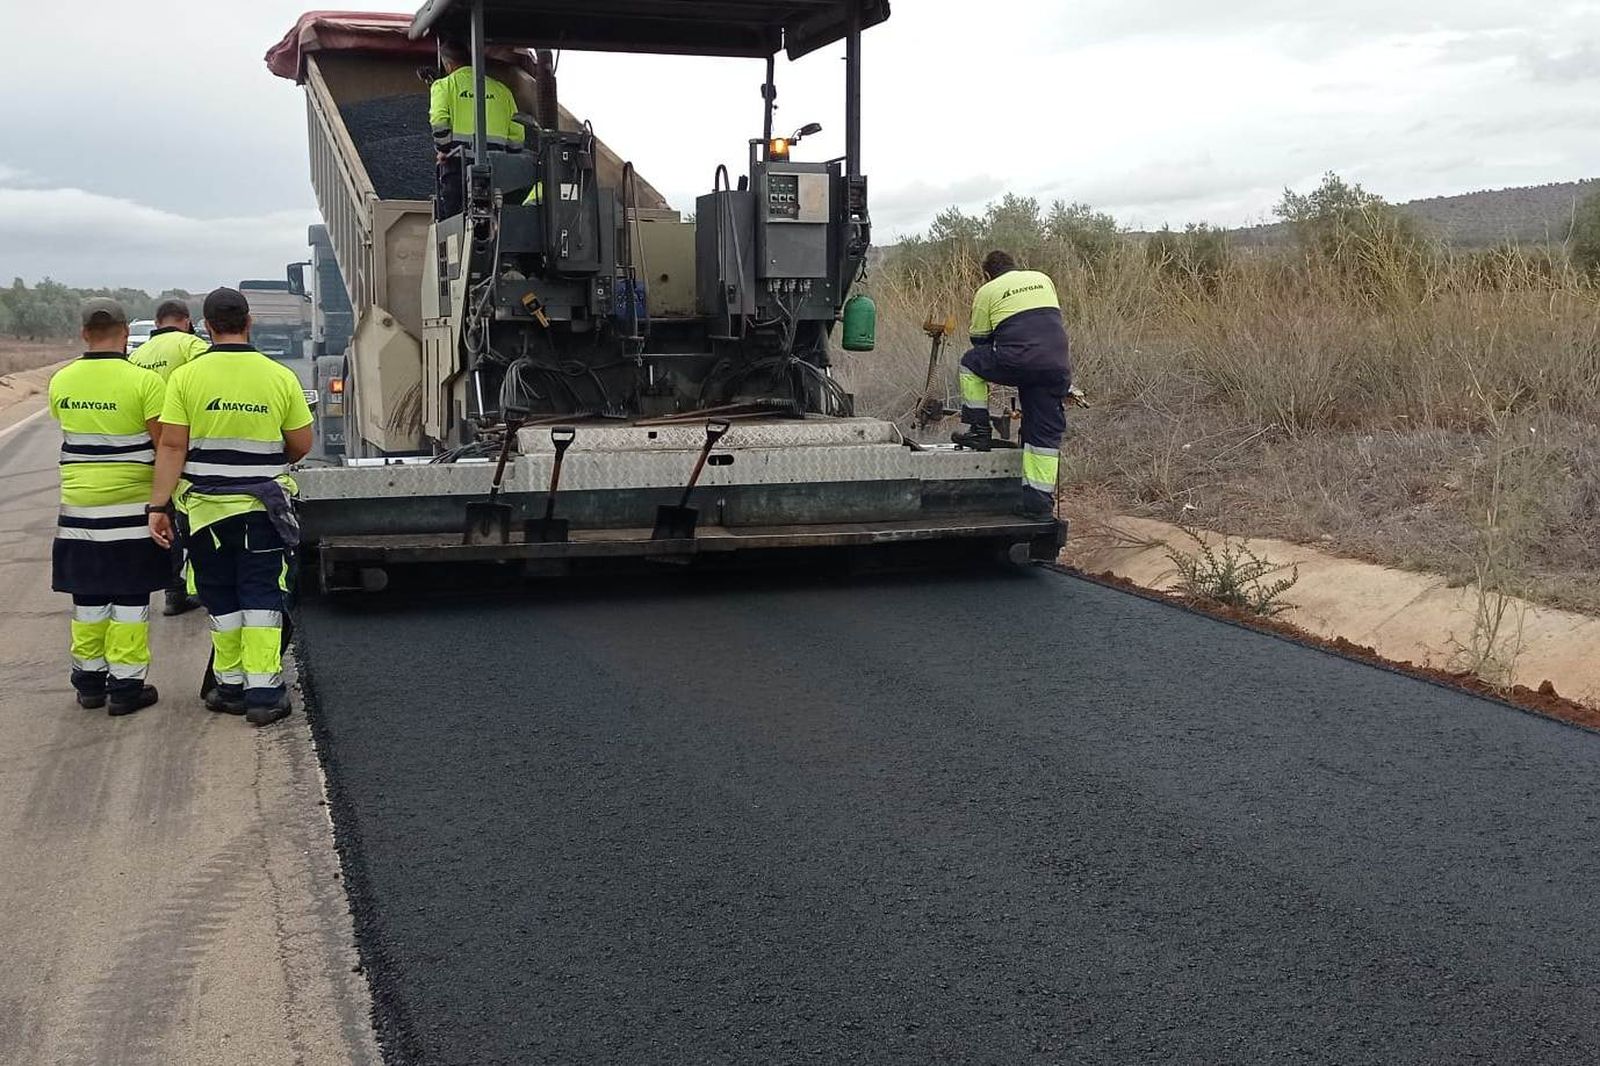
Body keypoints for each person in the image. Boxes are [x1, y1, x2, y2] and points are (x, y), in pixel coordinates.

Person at [147, 287, 313, 727]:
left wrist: (158, 506)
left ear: (206, 326)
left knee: (220, 597)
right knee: (261, 596)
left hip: (203, 514)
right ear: (249, 322)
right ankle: (264, 693)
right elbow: (301, 442)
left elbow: (171, 446)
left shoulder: (186, 378)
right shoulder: (278, 376)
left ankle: (231, 686)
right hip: (262, 513)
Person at [49, 298, 168, 715]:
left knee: (88, 599)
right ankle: (126, 688)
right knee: (131, 600)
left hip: (79, 509)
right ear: (124, 334)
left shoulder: (61, 381)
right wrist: (163, 502)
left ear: (84, 333)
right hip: (132, 509)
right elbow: (162, 445)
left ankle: (89, 683)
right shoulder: (145, 383)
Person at [952, 250, 1073, 520]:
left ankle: (978, 429)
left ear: (987, 274)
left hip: (1018, 360)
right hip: (1057, 365)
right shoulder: (1043, 279)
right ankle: (1039, 506)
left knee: (970, 363)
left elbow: (979, 340)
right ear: (1015, 266)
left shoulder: (987, 290)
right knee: (1043, 437)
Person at [129, 298, 211, 616]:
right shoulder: (190, 345)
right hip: (184, 442)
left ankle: (173, 589)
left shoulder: (137, 355)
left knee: (167, 515)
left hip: (152, 444)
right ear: (187, 321)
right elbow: (208, 377)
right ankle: (201, 586)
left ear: (156, 321)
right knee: (194, 516)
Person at [430, 37, 525, 219]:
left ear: (447, 65)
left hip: (458, 168)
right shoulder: (502, 91)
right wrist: (508, 158)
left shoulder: (443, 86)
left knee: (456, 224)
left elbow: (440, 123)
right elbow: (517, 136)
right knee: (495, 223)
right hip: (498, 169)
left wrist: (444, 151)